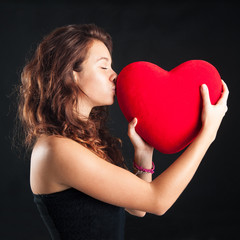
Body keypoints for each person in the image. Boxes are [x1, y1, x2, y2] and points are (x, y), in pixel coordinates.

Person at [17, 23, 229, 240]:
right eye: (103, 67)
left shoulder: (79, 140)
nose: (115, 76)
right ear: (71, 74)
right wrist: (207, 135)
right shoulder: (57, 149)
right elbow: (158, 201)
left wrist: (144, 154)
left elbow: (138, 208)